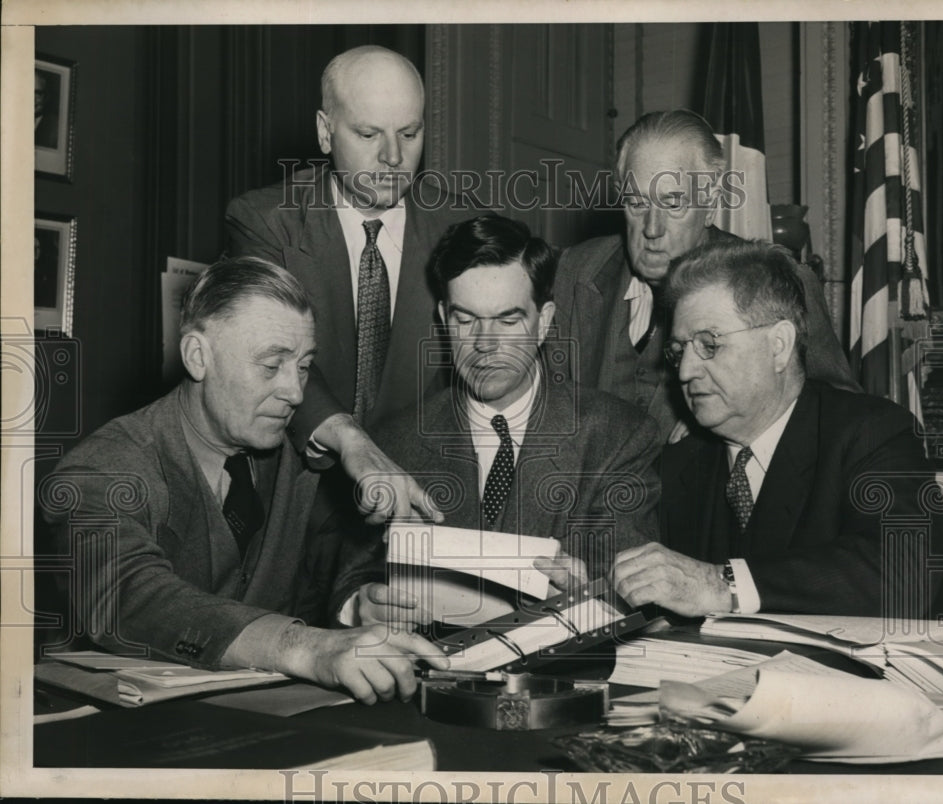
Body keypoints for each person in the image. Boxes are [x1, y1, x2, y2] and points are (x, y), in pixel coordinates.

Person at [40, 258, 448, 704]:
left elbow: (326, 568)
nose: (295, 393)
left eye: (304, 366)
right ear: (198, 357)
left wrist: (355, 605)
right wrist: (302, 647)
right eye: (271, 366)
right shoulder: (101, 468)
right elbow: (127, 596)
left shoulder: (297, 456)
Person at [333, 216, 662, 628]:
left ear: (544, 322)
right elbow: (349, 580)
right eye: (465, 319)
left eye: (507, 320)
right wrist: (358, 606)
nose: (484, 344)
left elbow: (639, 599)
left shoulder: (618, 436)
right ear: (443, 318)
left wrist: (590, 603)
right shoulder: (392, 443)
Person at [612, 240, 943, 617]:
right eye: (678, 351)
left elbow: (906, 572)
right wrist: (601, 593)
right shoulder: (679, 463)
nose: (685, 371)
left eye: (708, 344)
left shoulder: (870, 434)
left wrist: (723, 586)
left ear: (779, 346)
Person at [225, 45, 473, 526]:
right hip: (290, 502)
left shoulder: (462, 227)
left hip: (421, 502)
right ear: (325, 131)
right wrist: (351, 441)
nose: (393, 157)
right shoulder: (264, 221)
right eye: (368, 134)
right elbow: (269, 355)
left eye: (409, 133)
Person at [553, 109, 860, 445]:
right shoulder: (577, 270)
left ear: (710, 204)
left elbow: (838, 411)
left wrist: (740, 426)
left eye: (673, 204)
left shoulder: (778, 280)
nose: (652, 229)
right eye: (636, 203)